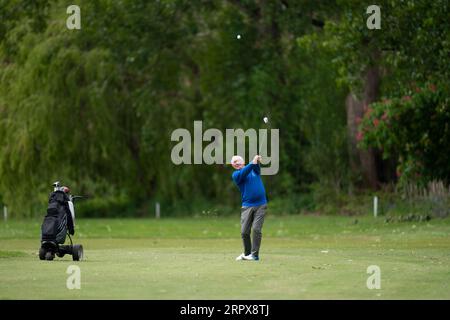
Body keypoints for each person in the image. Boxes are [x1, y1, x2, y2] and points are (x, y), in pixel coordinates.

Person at [231, 154, 267, 261]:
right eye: (233, 162)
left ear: (243, 161)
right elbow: (245, 171)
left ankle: (255, 255)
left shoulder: (254, 170)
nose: (235, 163)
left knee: (256, 229)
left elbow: (255, 167)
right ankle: (247, 253)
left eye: (237, 160)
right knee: (244, 232)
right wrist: (253, 161)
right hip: (247, 206)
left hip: (261, 204)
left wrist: (257, 161)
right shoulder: (236, 175)